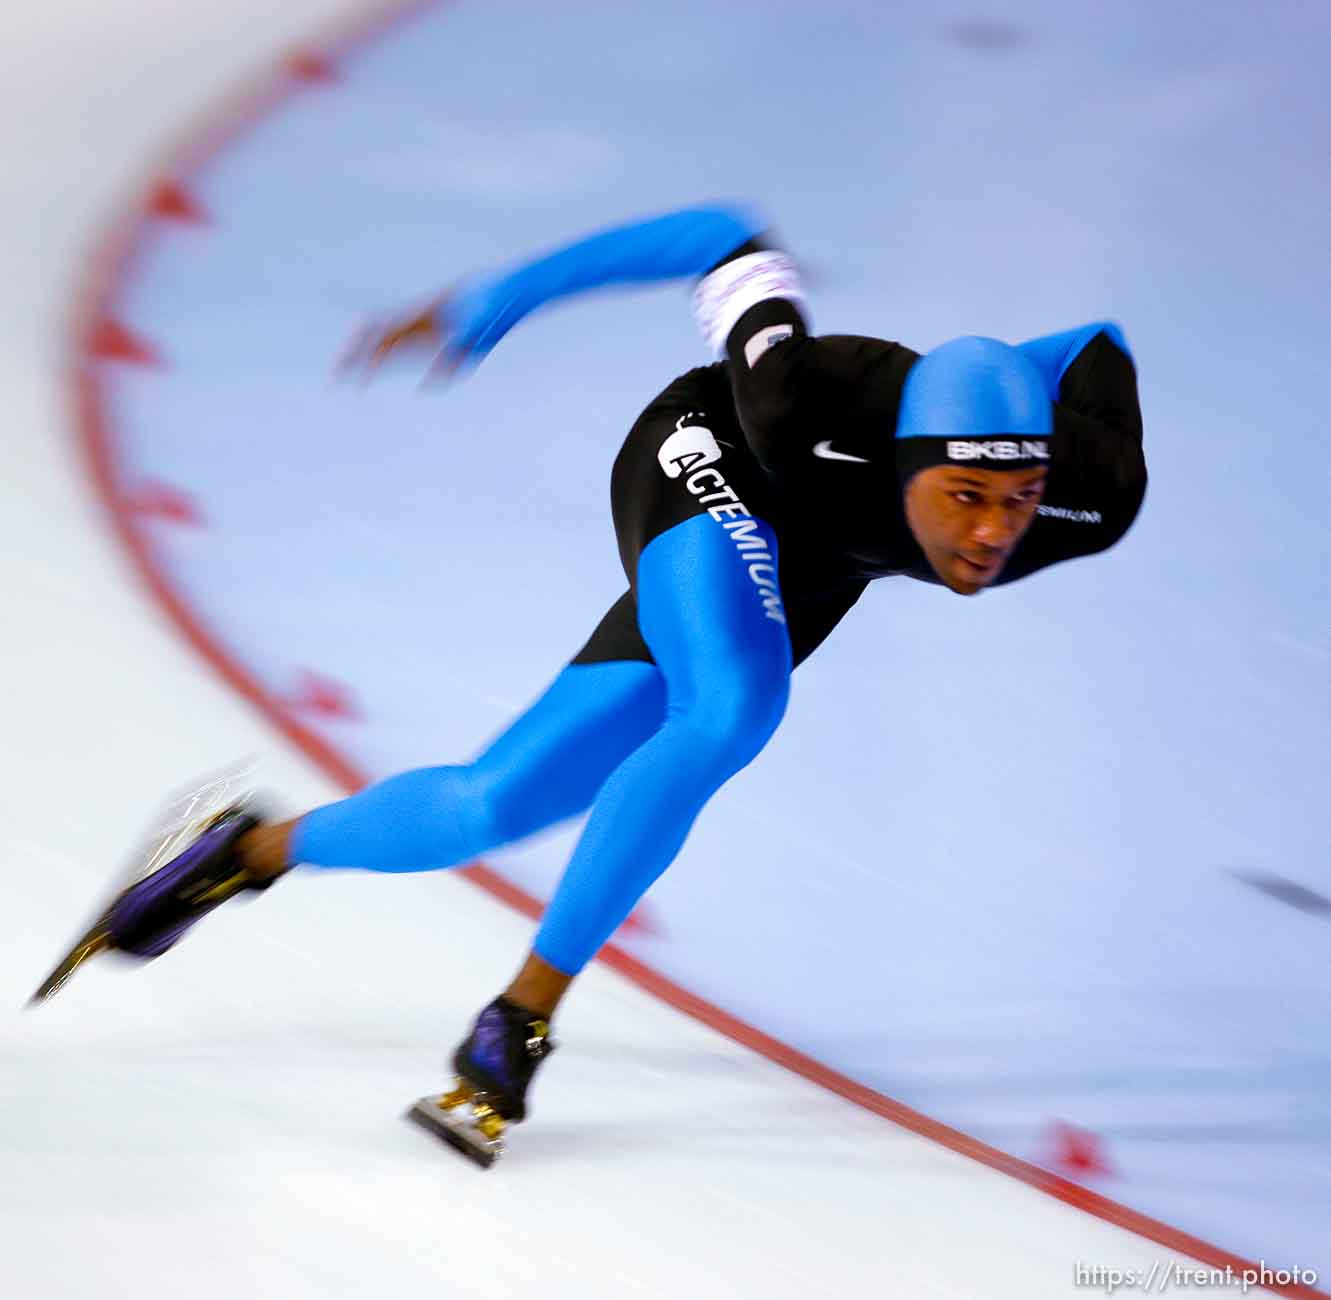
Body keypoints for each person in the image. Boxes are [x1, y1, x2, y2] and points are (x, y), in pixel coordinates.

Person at [57, 204, 1147, 1163]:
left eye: (1016, 497)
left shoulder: (1083, 499)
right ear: (907, 458)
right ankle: (518, 1021)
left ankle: (238, 849)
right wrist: (491, 298)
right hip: (707, 459)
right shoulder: (796, 397)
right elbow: (719, 234)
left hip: (807, 564)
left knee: (493, 803)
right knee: (729, 708)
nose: (992, 531)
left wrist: (1023, 379)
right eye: (962, 495)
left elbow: (1093, 345)